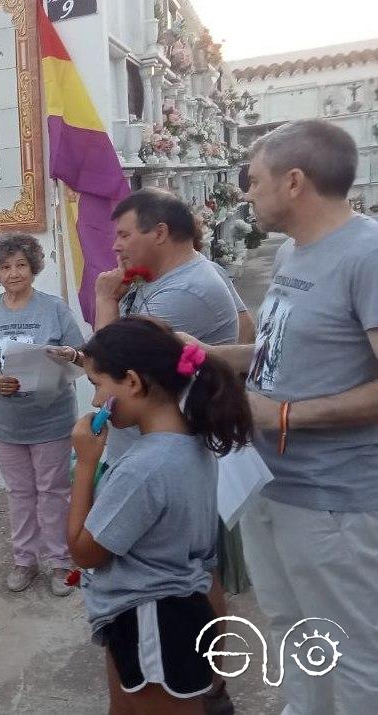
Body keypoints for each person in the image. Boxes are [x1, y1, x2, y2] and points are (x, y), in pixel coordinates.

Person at [192, 119, 378, 715]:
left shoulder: (366, 256)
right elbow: (280, 351)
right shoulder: (297, 252)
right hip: (269, 481)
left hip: (334, 498)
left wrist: (286, 414)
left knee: (352, 650)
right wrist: (197, 353)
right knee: (293, 627)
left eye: (254, 181)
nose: (247, 194)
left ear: (294, 181)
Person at [69, 317, 252, 715]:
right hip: (165, 610)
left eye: (98, 385)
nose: (97, 403)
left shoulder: (144, 468)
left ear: (132, 382)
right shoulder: (192, 441)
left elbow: (84, 552)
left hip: (152, 617)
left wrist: (85, 465)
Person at [0, 234, 85, 596]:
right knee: (19, 492)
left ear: (33, 267)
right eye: (5, 267)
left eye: (20, 265)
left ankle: (61, 563)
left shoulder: (55, 309)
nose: (14, 273)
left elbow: (82, 354)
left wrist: (69, 355)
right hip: (5, 421)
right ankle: (24, 559)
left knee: (54, 491)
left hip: (51, 417)